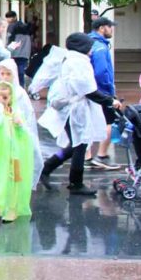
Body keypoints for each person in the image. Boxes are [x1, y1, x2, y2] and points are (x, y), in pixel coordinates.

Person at [38, 33, 119, 196]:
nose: (91, 50)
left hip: (72, 107)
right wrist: (110, 101)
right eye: (89, 46)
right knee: (80, 144)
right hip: (74, 109)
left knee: (76, 144)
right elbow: (87, 89)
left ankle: (47, 169)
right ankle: (76, 183)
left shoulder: (75, 60)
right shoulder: (78, 62)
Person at [0, 81, 37, 222]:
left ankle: (12, 208)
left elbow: (26, 134)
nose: (3, 100)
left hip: (13, 153)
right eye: (0, 96)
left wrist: (19, 125)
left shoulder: (16, 112)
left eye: (6, 97)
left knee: (13, 179)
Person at [87, 16, 119, 170]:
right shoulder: (100, 47)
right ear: (101, 28)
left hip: (90, 90)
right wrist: (109, 90)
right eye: (110, 26)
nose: (112, 29)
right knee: (109, 122)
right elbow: (101, 71)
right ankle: (101, 155)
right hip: (101, 90)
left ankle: (87, 157)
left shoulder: (89, 43)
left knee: (89, 123)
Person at [5, 10, 34, 86]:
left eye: (9, 18)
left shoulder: (11, 26)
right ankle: (21, 89)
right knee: (21, 73)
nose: (8, 20)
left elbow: (9, 39)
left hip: (14, 53)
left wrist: (6, 50)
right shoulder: (25, 27)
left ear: (14, 17)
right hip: (24, 54)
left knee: (13, 73)